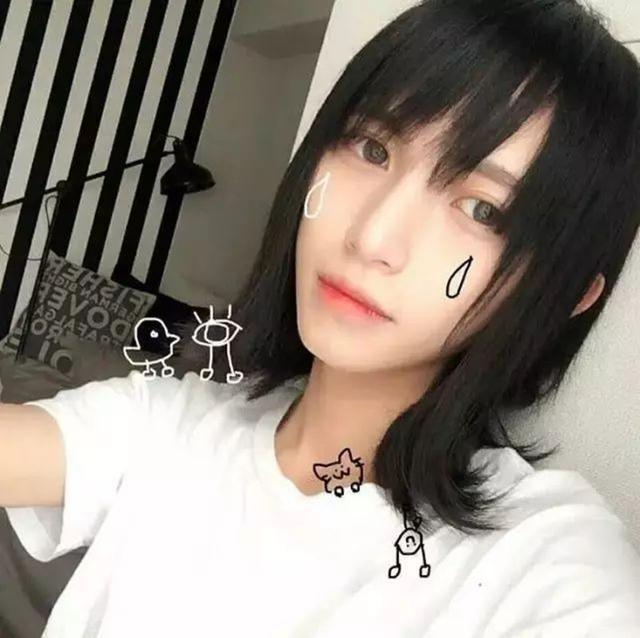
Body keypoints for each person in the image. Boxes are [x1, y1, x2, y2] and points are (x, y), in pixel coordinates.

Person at [2, 0, 640, 635]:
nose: (372, 236)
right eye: (372, 148)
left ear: (564, 294)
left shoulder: (544, 562)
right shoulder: (171, 423)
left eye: (483, 210)